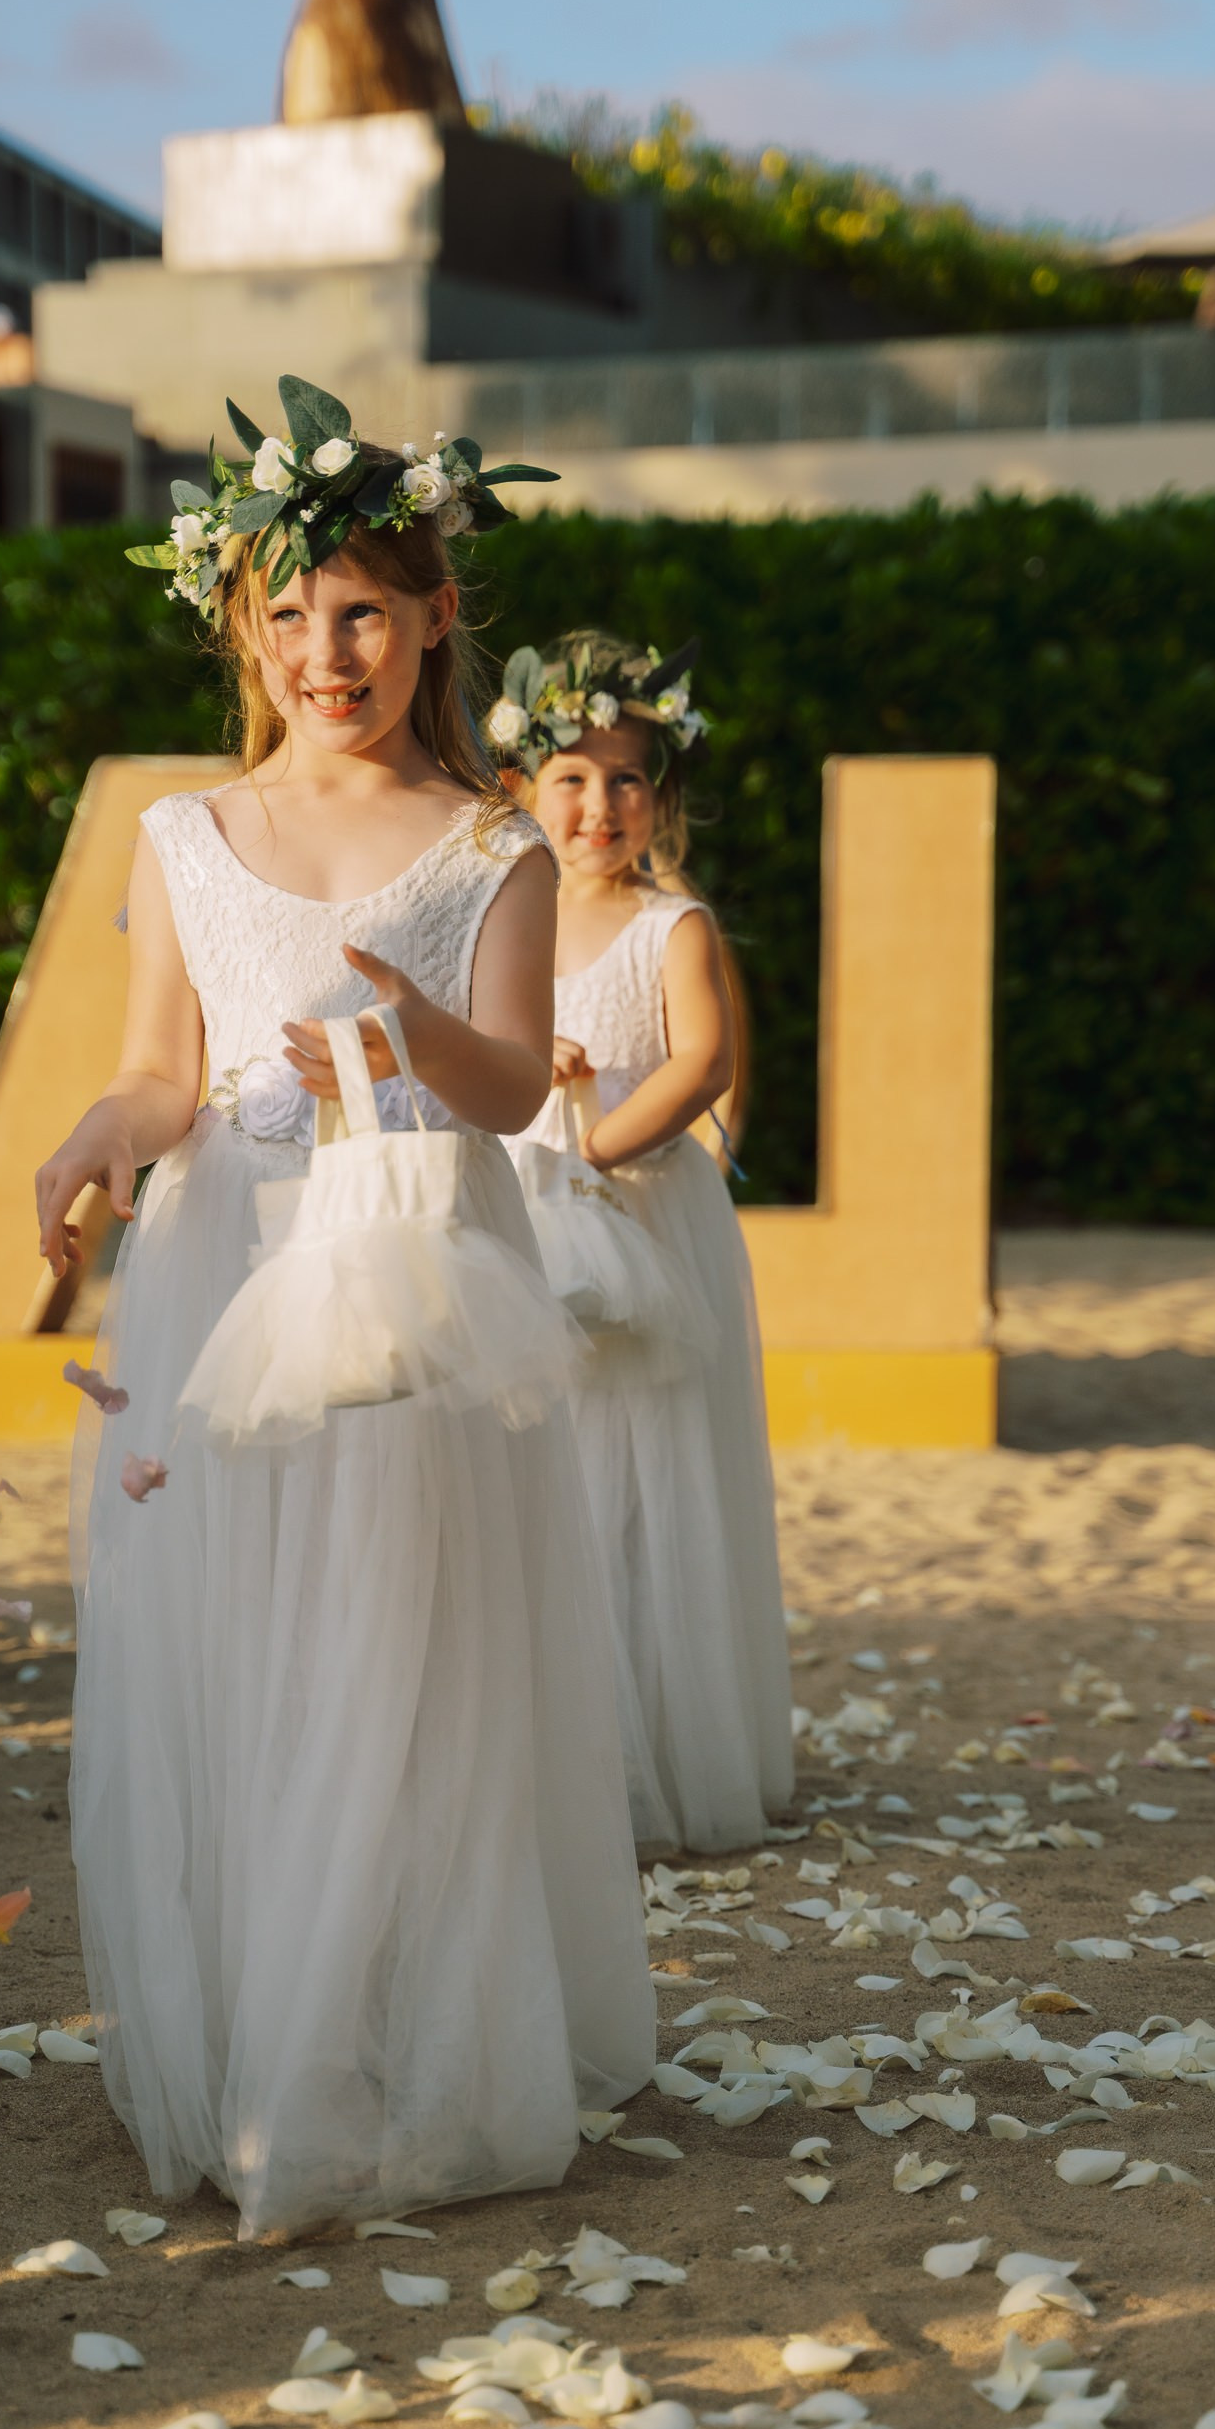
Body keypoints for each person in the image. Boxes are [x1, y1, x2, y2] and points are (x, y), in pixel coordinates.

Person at [35, 385, 653, 2241]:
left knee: (401, 1646)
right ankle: (266, 2038)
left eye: (367, 613)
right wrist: (99, 1131)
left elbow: (516, 1091)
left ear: (437, 618)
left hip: (414, 1270)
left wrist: (409, 1023)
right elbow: (164, 1070)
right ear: (242, 626)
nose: (330, 654)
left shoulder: (490, 848)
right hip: (228, 1266)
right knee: (246, 1640)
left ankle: (397, 2045)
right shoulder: (185, 834)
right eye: (292, 616)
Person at [491, 631, 794, 1854]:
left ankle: (661, 1752)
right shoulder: (497, 916)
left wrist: (595, 1149)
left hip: (638, 1209)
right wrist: (525, 1068)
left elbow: (701, 1062)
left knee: (644, 1476)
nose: (598, 805)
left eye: (626, 781)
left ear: (660, 800)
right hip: (525, 1199)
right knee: (543, 1468)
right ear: (521, 786)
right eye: (571, 778)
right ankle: (551, 1750)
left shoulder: (673, 925)